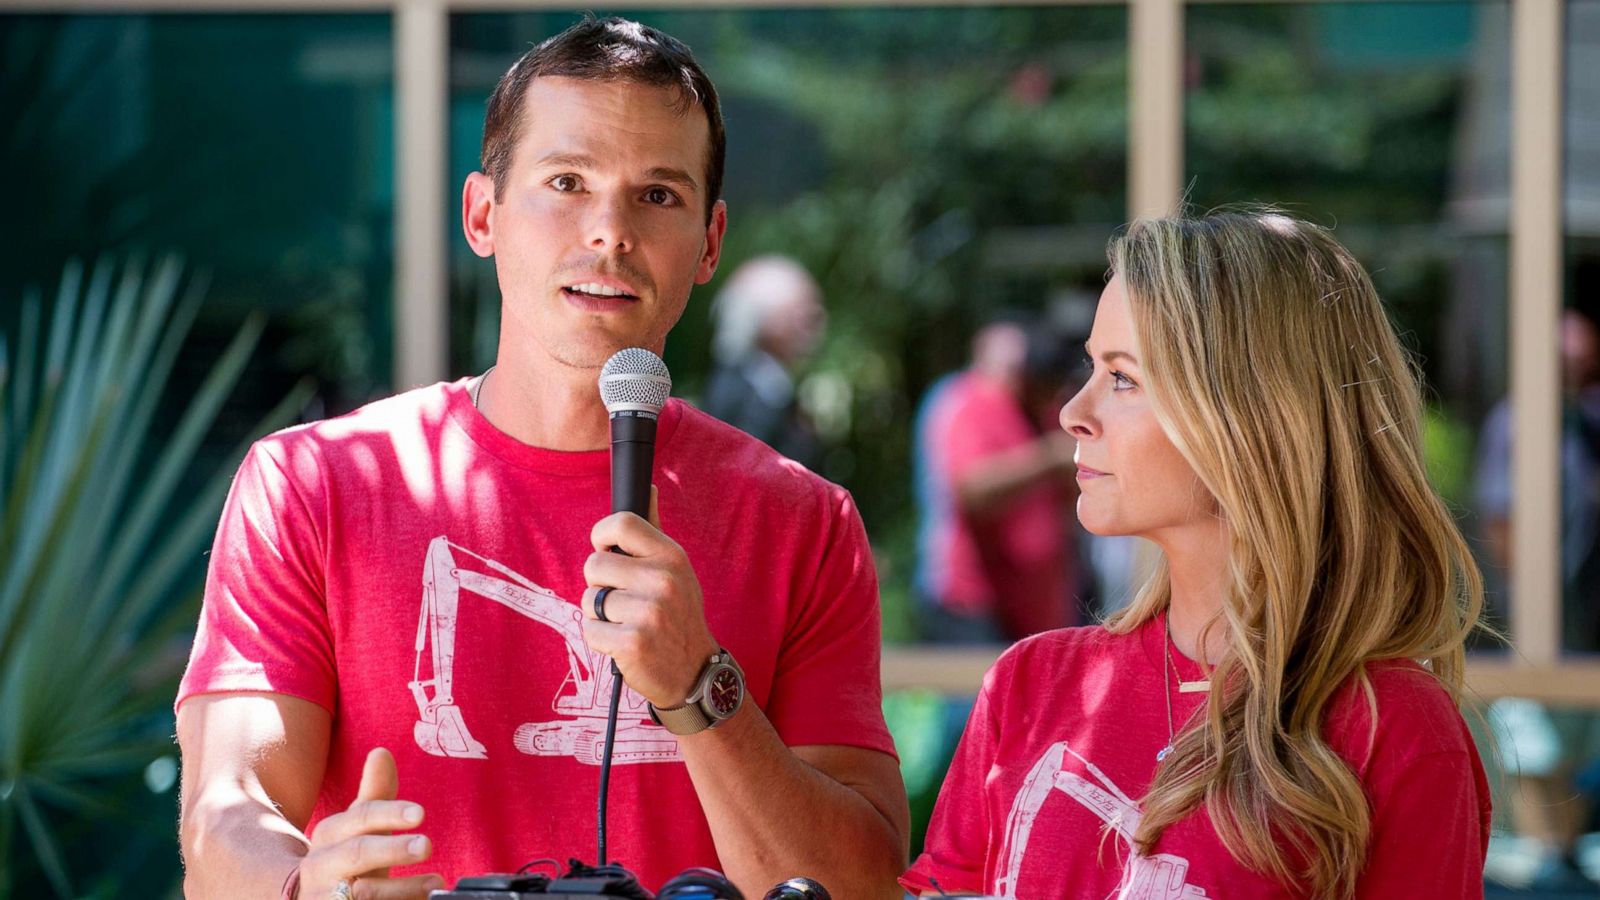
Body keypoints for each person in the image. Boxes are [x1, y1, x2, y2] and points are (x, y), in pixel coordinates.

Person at [175, 17, 908, 900]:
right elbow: (227, 821)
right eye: (567, 182)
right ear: (483, 214)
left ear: (710, 243)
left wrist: (698, 688)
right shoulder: (312, 485)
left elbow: (862, 885)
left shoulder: (802, 521)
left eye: (658, 196)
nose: (609, 232)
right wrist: (308, 888)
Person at [900, 209, 1492, 898]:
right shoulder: (1030, 685)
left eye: (1121, 377)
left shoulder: (1391, 726)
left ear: (1248, 414)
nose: (1073, 412)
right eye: (1089, 368)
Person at [912, 317, 1079, 643]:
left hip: (1033, 603)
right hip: (971, 601)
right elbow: (971, 490)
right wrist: (1048, 457)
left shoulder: (1041, 410)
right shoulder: (969, 402)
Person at [702, 255, 828, 469]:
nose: (816, 325)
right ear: (761, 317)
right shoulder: (738, 393)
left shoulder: (771, 387)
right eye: (804, 316)